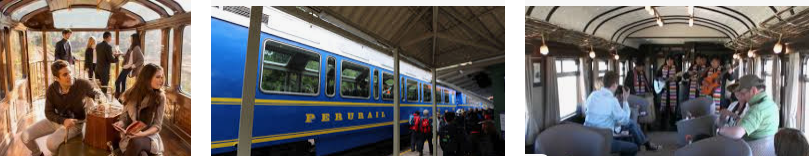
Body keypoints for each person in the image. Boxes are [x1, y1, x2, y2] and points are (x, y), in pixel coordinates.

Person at [21, 60, 101, 156]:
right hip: (57, 120)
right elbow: (48, 112)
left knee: (50, 143)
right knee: (25, 136)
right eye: (65, 74)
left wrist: (99, 101)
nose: (69, 76)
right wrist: (63, 121)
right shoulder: (51, 90)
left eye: (70, 72)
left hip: (74, 124)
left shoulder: (82, 84)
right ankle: (37, 153)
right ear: (56, 78)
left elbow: (96, 94)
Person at [584, 71, 660, 156]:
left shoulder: (592, 95)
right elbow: (625, 120)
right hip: (603, 140)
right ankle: (645, 143)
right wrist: (625, 100)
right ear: (615, 84)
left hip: (588, 137)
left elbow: (586, 111)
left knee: (632, 124)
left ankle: (646, 143)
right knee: (633, 147)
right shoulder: (612, 101)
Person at [718, 75, 778, 155]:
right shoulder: (770, 104)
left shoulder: (757, 109)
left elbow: (737, 133)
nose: (743, 97)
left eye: (743, 93)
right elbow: (750, 123)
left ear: (753, 90)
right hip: (766, 150)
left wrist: (719, 130)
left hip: (751, 150)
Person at [113, 63, 166, 156]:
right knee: (142, 154)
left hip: (149, 136)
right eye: (158, 77)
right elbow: (125, 116)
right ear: (147, 78)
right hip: (131, 135)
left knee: (136, 142)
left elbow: (157, 126)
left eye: (162, 77)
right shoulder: (131, 93)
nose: (161, 80)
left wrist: (142, 134)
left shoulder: (160, 97)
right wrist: (121, 123)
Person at [114, 33, 144, 98]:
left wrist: (133, 66)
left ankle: (117, 97)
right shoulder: (131, 47)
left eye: (131, 38)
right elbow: (127, 56)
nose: (130, 40)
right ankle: (122, 97)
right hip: (126, 67)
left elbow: (141, 59)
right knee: (123, 83)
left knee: (117, 82)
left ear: (134, 39)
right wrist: (120, 54)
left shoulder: (137, 48)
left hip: (128, 68)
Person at [656, 57, 680, 130]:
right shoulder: (662, 68)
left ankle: (672, 125)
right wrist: (661, 79)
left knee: (673, 109)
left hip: (674, 91)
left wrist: (677, 79)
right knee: (663, 109)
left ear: (673, 61)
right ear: (666, 61)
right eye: (668, 60)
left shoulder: (677, 68)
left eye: (671, 60)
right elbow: (657, 77)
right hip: (664, 91)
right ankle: (662, 125)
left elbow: (680, 78)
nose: (669, 61)